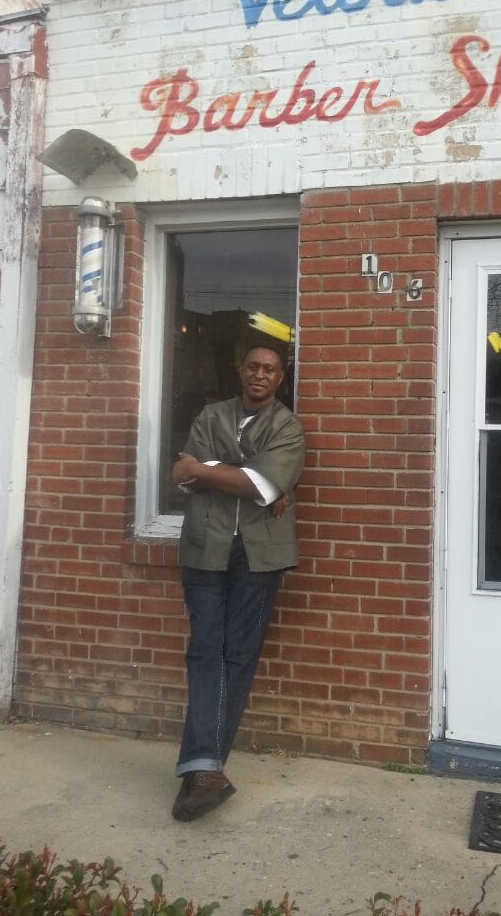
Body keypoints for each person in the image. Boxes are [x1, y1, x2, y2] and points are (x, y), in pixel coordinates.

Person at [170, 345, 305, 821]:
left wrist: (211, 472)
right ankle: (204, 771)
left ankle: (202, 770)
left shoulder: (287, 426)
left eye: (269, 369)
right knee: (205, 649)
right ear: (240, 370)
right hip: (205, 547)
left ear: (280, 378)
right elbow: (182, 477)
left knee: (239, 654)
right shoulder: (211, 414)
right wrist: (242, 478)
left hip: (258, 554)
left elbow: (265, 484)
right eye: (252, 366)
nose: (259, 374)